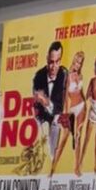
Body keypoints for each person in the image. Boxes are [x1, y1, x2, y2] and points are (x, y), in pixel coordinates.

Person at [30, 40, 65, 169]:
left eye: (57, 62)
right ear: (47, 59)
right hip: (42, 116)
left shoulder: (64, 75)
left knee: (56, 121)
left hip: (56, 115)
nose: (53, 66)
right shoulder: (39, 76)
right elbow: (37, 102)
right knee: (38, 124)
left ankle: (53, 160)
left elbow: (60, 106)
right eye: (51, 62)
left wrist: (47, 102)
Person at [53, 49, 86, 175]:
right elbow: (65, 95)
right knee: (64, 138)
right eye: (77, 62)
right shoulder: (67, 76)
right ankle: (53, 168)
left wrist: (86, 104)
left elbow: (81, 92)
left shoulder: (80, 76)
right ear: (74, 61)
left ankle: (76, 168)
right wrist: (65, 113)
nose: (78, 65)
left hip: (81, 107)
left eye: (80, 63)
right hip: (71, 109)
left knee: (78, 137)